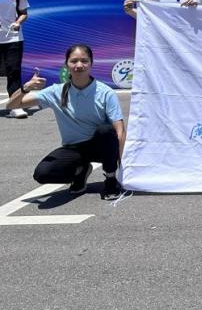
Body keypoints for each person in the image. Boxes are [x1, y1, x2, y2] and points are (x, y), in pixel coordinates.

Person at [5, 44, 125, 200]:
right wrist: (26, 87)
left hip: (101, 147)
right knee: (42, 173)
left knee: (106, 130)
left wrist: (121, 166)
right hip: (74, 148)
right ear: (66, 64)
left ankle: (110, 178)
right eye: (74, 61)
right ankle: (80, 171)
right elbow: (11, 105)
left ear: (91, 64)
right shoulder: (56, 91)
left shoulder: (106, 93)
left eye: (84, 61)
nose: (79, 65)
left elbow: (120, 131)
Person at [0, 0, 30, 118]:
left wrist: (17, 22)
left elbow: (24, 13)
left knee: (13, 71)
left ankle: (16, 106)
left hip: (13, 38)